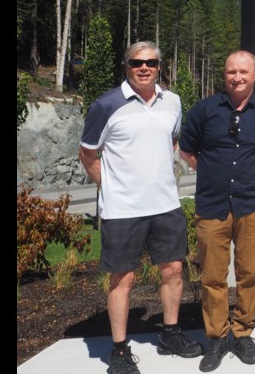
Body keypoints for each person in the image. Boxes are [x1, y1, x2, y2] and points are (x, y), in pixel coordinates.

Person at [79, 41, 202, 374]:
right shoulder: (106, 105)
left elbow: (173, 140)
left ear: (160, 66)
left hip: (166, 204)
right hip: (122, 210)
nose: (144, 67)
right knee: (124, 279)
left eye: (150, 62)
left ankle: (171, 335)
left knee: (173, 271)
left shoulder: (173, 102)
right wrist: (113, 188)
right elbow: (88, 154)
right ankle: (119, 351)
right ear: (126, 66)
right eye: (136, 63)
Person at [178, 51, 255, 372]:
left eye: (243, 72)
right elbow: (186, 149)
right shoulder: (205, 110)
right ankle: (218, 336)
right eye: (231, 72)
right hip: (212, 204)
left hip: (252, 203)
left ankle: (243, 332)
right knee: (212, 276)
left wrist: (246, 174)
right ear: (224, 75)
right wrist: (211, 171)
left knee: (250, 274)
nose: (236, 77)